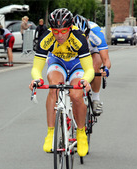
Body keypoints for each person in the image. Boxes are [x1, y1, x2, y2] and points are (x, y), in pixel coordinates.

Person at [29, 8, 95, 157]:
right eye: (55, 31)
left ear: (70, 28)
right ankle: (51, 133)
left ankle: (80, 132)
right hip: (58, 62)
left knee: (77, 95)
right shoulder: (46, 37)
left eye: (63, 31)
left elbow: (89, 69)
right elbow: (36, 67)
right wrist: (37, 79)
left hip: (77, 64)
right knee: (54, 87)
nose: (59, 35)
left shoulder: (79, 37)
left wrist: (85, 80)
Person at [73, 15, 111, 115]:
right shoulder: (68, 36)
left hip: (93, 49)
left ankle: (95, 99)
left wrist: (105, 69)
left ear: (88, 33)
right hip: (77, 52)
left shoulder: (96, 34)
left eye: (84, 36)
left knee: (95, 68)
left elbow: (106, 59)